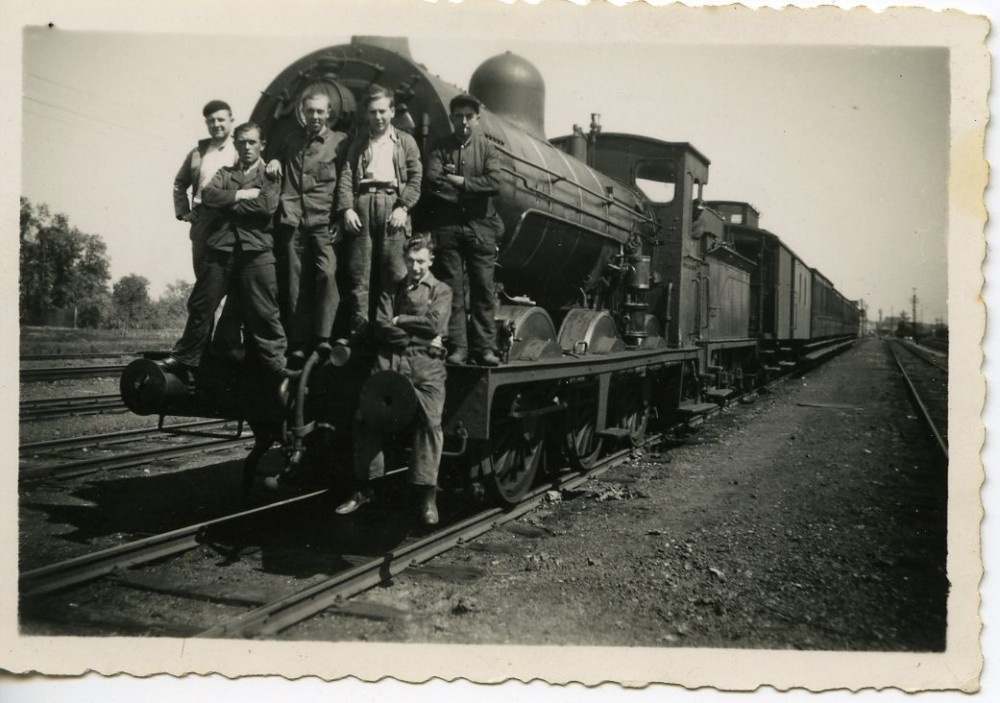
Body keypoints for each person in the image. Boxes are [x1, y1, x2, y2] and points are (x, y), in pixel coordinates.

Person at [162, 122, 294, 381]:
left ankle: (277, 366)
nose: (247, 147)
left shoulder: (271, 173)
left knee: (265, 311)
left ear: (262, 145)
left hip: (256, 250)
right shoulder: (224, 172)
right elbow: (208, 196)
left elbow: (266, 206)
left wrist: (227, 204)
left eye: (252, 142)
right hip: (220, 248)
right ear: (235, 144)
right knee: (202, 304)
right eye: (242, 142)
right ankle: (185, 357)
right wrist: (243, 195)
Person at [336, 236, 452, 526]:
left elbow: (435, 324)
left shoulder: (442, 290)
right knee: (365, 416)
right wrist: (413, 330)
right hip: (390, 359)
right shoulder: (392, 289)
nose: (415, 267)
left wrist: (401, 321)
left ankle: (427, 496)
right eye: (411, 261)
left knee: (430, 422)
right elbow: (382, 326)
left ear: (431, 260)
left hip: (425, 365)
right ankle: (365, 487)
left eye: (421, 261)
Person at [423, 93, 504, 366]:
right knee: (452, 289)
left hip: (481, 228)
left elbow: (494, 183)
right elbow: (432, 182)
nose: (464, 121)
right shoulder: (440, 147)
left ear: (477, 119)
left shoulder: (488, 149)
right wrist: (471, 189)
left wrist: (459, 181)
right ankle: (458, 347)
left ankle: (485, 348)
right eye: (458, 116)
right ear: (452, 118)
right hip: (448, 228)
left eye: (469, 116)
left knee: (483, 289)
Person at [266, 92, 348, 355]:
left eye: (320, 112)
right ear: (303, 112)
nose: (315, 116)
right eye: (310, 111)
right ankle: (298, 342)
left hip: (323, 220)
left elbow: (347, 181)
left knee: (327, 273)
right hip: (293, 218)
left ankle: (323, 336)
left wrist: (341, 216)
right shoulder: (291, 140)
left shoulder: (340, 142)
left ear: (329, 113)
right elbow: (273, 157)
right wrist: (277, 159)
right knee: (294, 280)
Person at [336, 85, 423, 333]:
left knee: (395, 271)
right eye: (373, 112)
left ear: (392, 111)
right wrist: (346, 210)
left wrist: (403, 207)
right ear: (367, 114)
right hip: (363, 203)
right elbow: (346, 176)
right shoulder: (359, 143)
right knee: (358, 273)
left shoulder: (406, 142)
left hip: (392, 204)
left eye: (383, 111)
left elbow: (416, 178)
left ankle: (389, 329)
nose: (378, 117)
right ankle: (359, 330)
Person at [173, 100, 238, 275]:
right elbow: (180, 183)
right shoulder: (197, 152)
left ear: (231, 120)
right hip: (202, 220)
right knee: (203, 276)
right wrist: (184, 212)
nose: (216, 125)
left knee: (232, 275)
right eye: (211, 121)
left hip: (231, 219)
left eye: (221, 120)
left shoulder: (241, 149)